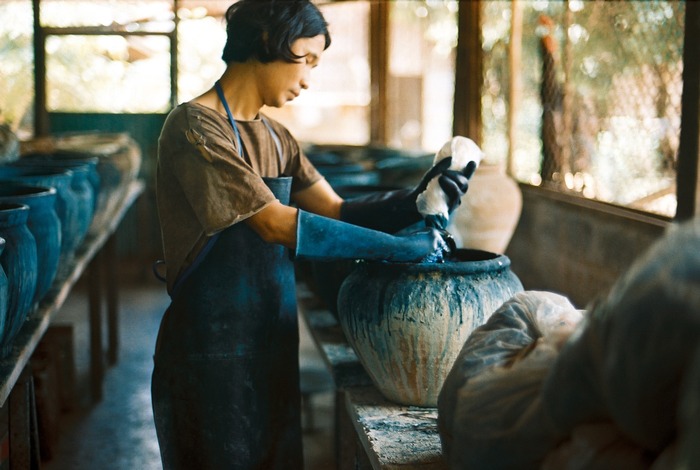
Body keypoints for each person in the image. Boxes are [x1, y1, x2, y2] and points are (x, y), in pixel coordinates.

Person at [151, 1, 472, 468]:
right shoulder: (194, 128)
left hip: (273, 338)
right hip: (209, 350)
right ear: (267, 42)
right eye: (307, 61)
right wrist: (399, 248)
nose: (308, 79)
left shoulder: (279, 139)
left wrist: (416, 198)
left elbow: (337, 208)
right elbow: (274, 222)